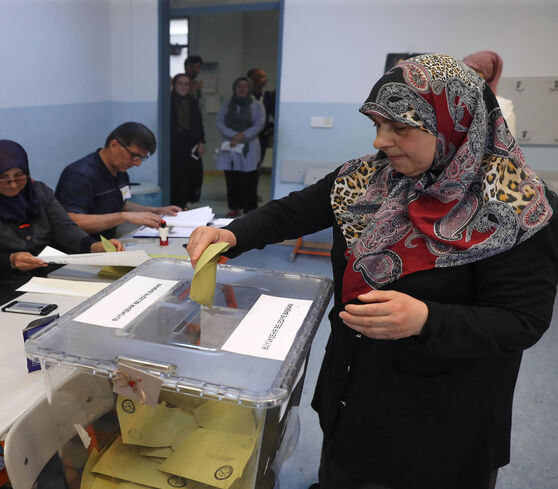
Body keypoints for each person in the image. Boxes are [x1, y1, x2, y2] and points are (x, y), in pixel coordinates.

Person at [186, 54, 558, 489]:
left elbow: (521, 321)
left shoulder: (518, 208)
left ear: (454, 123)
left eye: (400, 128)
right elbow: (294, 211)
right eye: (377, 125)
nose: (382, 141)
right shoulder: (368, 179)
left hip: (446, 413)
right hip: (355, 385)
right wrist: (232, 235)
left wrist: (425, 319)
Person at [0, 140, 124, 319]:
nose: (13, 184)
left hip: (46, 279)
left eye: (19, 176)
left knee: (101, 303)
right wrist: (10, 260)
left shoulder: (38, 192)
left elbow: (65, 228)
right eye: (3, 178)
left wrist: (94, 247)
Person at [55, 122, 181, 238]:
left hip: (108, 240)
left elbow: (121, 204)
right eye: (134, 156)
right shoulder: (79, 175)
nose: (137, 164)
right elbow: (72, 221)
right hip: (80, 248)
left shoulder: (120, 172)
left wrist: (156, 211)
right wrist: (124, 217)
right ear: (114, 145)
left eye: (141, 159)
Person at [216, 76, 266, 217]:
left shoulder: (257, 105)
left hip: (248, 146)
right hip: (230, 145)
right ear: (234, 88)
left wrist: (243, 135)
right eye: (239, 86)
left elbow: (260, 123)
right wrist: (234, 135)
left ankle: (250, 209)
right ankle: (234, 207)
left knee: (249, 179)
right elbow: (220, 122)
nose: (242, 89)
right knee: (232, 179)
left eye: (245, 86)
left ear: (249, 88)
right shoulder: (227, 104)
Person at [169, 73, 206, 209]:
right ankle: (177, 205)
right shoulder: (168, 101)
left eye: (186, 84)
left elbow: (199, 123)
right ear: (174, 85)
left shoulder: (193, 101)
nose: (183, 87)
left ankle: (184, 203)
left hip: (191, 145)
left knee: (193, 176)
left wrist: (202, 142)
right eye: (180, 83)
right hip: (174, 144)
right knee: (177, 177)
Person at [463, 50, 517, 136]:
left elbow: (509, 144)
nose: (467, 75)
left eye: (474, 70)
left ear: (488, 73)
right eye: (465, 70)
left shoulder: (503, 105)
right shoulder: (457, 102)